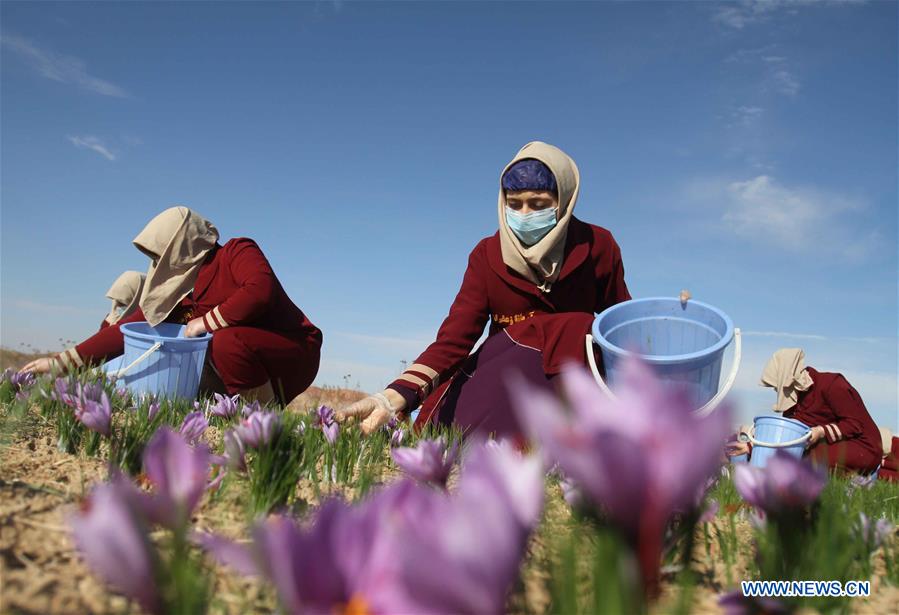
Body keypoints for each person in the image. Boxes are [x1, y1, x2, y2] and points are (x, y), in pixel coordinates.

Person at [339, 141, 630, 438]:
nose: (525, 214)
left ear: (564, 200)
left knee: (579, 326)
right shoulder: (488, 254)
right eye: (514, 204)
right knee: (454, 436)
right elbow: (454, 339)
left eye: (539, 204)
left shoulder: (598, 246)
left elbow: (622, 325)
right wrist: (391, 397)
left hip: (573, 377)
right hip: (507, 376)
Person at [22, 206, 322, 404]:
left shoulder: (236, 252)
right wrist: (59, 364)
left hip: (292, 350)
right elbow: (127, 330)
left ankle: (264, 425)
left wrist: (205, 322)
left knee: (224, 341)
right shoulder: (183, 295)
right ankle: (236, 415)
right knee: (200, 363)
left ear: (181, 246)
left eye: (160, 255)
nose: (157, 265)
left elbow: (260, 291)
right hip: (247, 363)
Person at [726, 348, 882, 474]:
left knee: (803, 459)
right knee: (792, 457)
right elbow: (787, 440)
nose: (775, 390)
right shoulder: (793, 405)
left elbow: (854, 424)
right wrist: (750, 448)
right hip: (832, 445)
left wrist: (821, 431)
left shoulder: (832, 385)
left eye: (776, 386)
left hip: (863, 446)